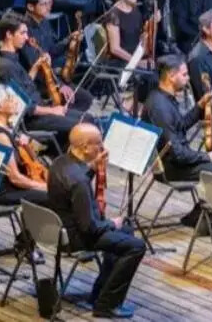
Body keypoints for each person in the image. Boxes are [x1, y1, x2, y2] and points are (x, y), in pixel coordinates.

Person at [48, 123, 145, 318]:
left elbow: (75, 189)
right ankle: (106, 305)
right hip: (76, 237)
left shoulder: (60, 162)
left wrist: (93, 168)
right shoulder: (78, 181)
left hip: (59, 229)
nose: (102, 148)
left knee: (126, 231)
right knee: (136, 246)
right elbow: (89, 228)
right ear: (85, 147)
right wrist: (111, 224)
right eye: (98, 144)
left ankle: (100, 293)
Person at [144, 54, 212, 233]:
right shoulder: (160, 107)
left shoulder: (164, 98)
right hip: (172, 167)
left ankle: (199, 215)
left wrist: (200, 106)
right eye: (185, 75)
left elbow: (180, 125)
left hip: (176, 159)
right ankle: (203, 218)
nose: (188, 79)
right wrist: (206, 156)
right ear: (171, 76)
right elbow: (178, 154)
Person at [0, 12, 90, 148]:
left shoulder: (11, 58)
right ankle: (61, 156)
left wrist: (36, 66)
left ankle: (59, 148)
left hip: (41, 108)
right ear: (9, 35)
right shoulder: (5, 66)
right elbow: (23, 107)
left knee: (88, 118)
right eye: (23, 33)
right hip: (32, 119)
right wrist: (52, 110)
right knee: (85, 124)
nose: (27, 38)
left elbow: (24, 85)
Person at [19, 0, 93, 107]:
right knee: (81, 99)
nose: (48, 7)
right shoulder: (24, 30)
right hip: (39, 81)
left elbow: (52, 51)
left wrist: (69, 40)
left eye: (50, 3)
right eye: (44, 4)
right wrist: (60, 85)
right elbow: (36, 65)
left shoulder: (44, 22)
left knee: (86, 98)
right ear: (30, 7)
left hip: (52, 75)